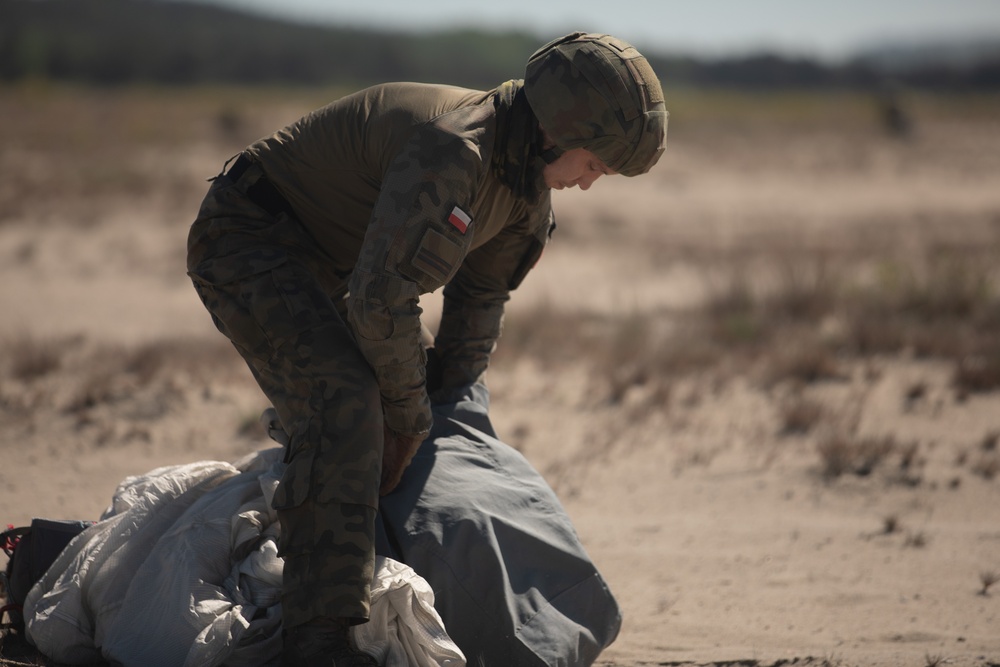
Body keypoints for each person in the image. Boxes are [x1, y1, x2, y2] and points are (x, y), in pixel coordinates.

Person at [186, 31, 667, 667]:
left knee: (400, 405)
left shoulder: (526, 191)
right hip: (249, 236)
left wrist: (437, 423)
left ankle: (351, 541)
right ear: (558, 128)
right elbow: (380, 303)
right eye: (595, 163)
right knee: (346, 402)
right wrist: (406, 421)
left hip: (345, 273)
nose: (590, 182)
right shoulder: (453, 151)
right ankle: (320, 639)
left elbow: (473, 319)